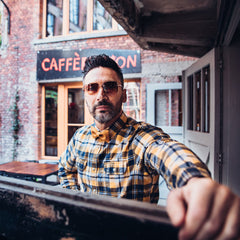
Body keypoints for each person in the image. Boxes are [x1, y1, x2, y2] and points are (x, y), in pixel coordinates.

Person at [59, 54, 240, 240]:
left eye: (110, 86)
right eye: (92, 88)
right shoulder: (80, 137)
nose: (101, 95)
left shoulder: (142, 138)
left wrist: (195, 183)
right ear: (85, 95)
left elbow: (167, 152)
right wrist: (76, 203)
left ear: (124, 95)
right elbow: (65, 169)